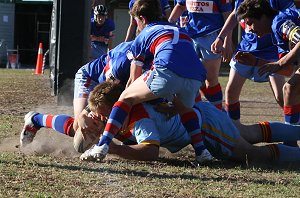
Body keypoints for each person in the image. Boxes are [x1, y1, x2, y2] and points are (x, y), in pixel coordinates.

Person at [81, 0, 211, 163]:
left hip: (168, 69)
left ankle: (103, 145)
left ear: (142, 18)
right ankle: (202, 152)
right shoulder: (179, 29)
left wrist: (127, 107)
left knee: (125, 98)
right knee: (184, 109)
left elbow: (133, 80)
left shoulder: (145, 34)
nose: (137, 25)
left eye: (136, 21)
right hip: (196, 75)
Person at [80, 81, 300, 163]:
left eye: (103, 115)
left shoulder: (140, 120)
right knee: (251, 134)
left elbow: (150, 152)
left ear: (116, 109)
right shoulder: (126, 105)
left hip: (205, 125)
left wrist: (115, 150)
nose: (99, 119)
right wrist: (82, 116)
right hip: (200, 112)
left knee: (251, 154)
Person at [19, 41, 136, 146]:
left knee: (117, 117)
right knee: (80, 126)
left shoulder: (148, 58)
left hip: (112, 86)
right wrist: (85, 112)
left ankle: (131, 141)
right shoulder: (124, 62)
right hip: (91, 77)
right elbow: (105, 92)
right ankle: (36, 120)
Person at [211, 0, 295, 121]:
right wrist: (223, 38)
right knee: (231, 91)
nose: (248, 27)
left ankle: (292, 132)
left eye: (251, 23)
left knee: (281, 96)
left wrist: (289, 49)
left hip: (273, 49)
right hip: (246, 48)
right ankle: (234, 130)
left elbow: (291, 17)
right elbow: (236, 14)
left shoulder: (279, 12)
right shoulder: (243, 7)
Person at [234, 0, 300, 126]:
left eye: (250, 23)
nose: (250, 29)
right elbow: (288, 70)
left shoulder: (280, 22)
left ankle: (290, 140)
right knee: (290, 89)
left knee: (290, 89)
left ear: (263, 17)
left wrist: (280, 63)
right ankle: (290, 140)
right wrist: (256, 62)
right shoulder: (277, 36)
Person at [168, 0, 233, 110]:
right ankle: (198, 112)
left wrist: (227, 41)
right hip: (190, 35)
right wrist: (168, 25)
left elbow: (228, 15)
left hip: (212, 36)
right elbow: (180, 6)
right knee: (191, 77)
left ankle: (217, 113)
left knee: (210, 79)